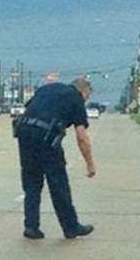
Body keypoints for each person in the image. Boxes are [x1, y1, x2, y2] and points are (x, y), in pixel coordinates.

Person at [15, 77, 96, 239]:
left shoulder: (46, 89)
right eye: (87, 96)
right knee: (58, 182)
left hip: (23, 131)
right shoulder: (76, 99)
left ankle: (31, 226)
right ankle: (71, 227)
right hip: (46, 135)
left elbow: (30, 108)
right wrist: (90, 164)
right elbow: (82, 137)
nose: (86, 100)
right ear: (84, 91)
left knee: (31, 181)